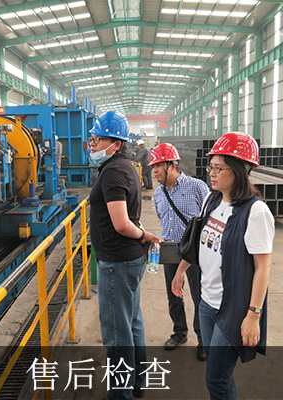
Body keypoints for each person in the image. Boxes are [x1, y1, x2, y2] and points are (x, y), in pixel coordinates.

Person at [172, 132, 274, 399]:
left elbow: (262, 268)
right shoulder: (213, 200)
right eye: (211, 167)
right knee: (217, 373)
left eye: (219, 168)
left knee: (216, 378)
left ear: (239, 171)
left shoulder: (255, 212)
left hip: (233, 308)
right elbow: (199, 241)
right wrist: (181, 269)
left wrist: (253, 316)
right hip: (207, 302)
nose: (212, 173)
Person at [89, 111, 160, 400]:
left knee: (117, 334)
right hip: (127, 260)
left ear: (116, 144)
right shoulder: (124, 166)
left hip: (116, 263)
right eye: (92, 139)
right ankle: (137, 381)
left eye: (98, 139)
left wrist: (144, 235)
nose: (92, 144)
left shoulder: (113, 172)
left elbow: (121, 224)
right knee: (132, 321)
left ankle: (120, 395)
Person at [150, 143, 209, 361]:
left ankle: (203, 339)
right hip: (170, 249)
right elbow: (162, 219)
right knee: (174, 294)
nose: (154, 171)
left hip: (194, 252)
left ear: (172, 165)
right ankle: (180, 332)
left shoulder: (197, 187)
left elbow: (208, 219)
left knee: (199, 296)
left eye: (158, 166)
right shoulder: (158, 193)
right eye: (153, 167)